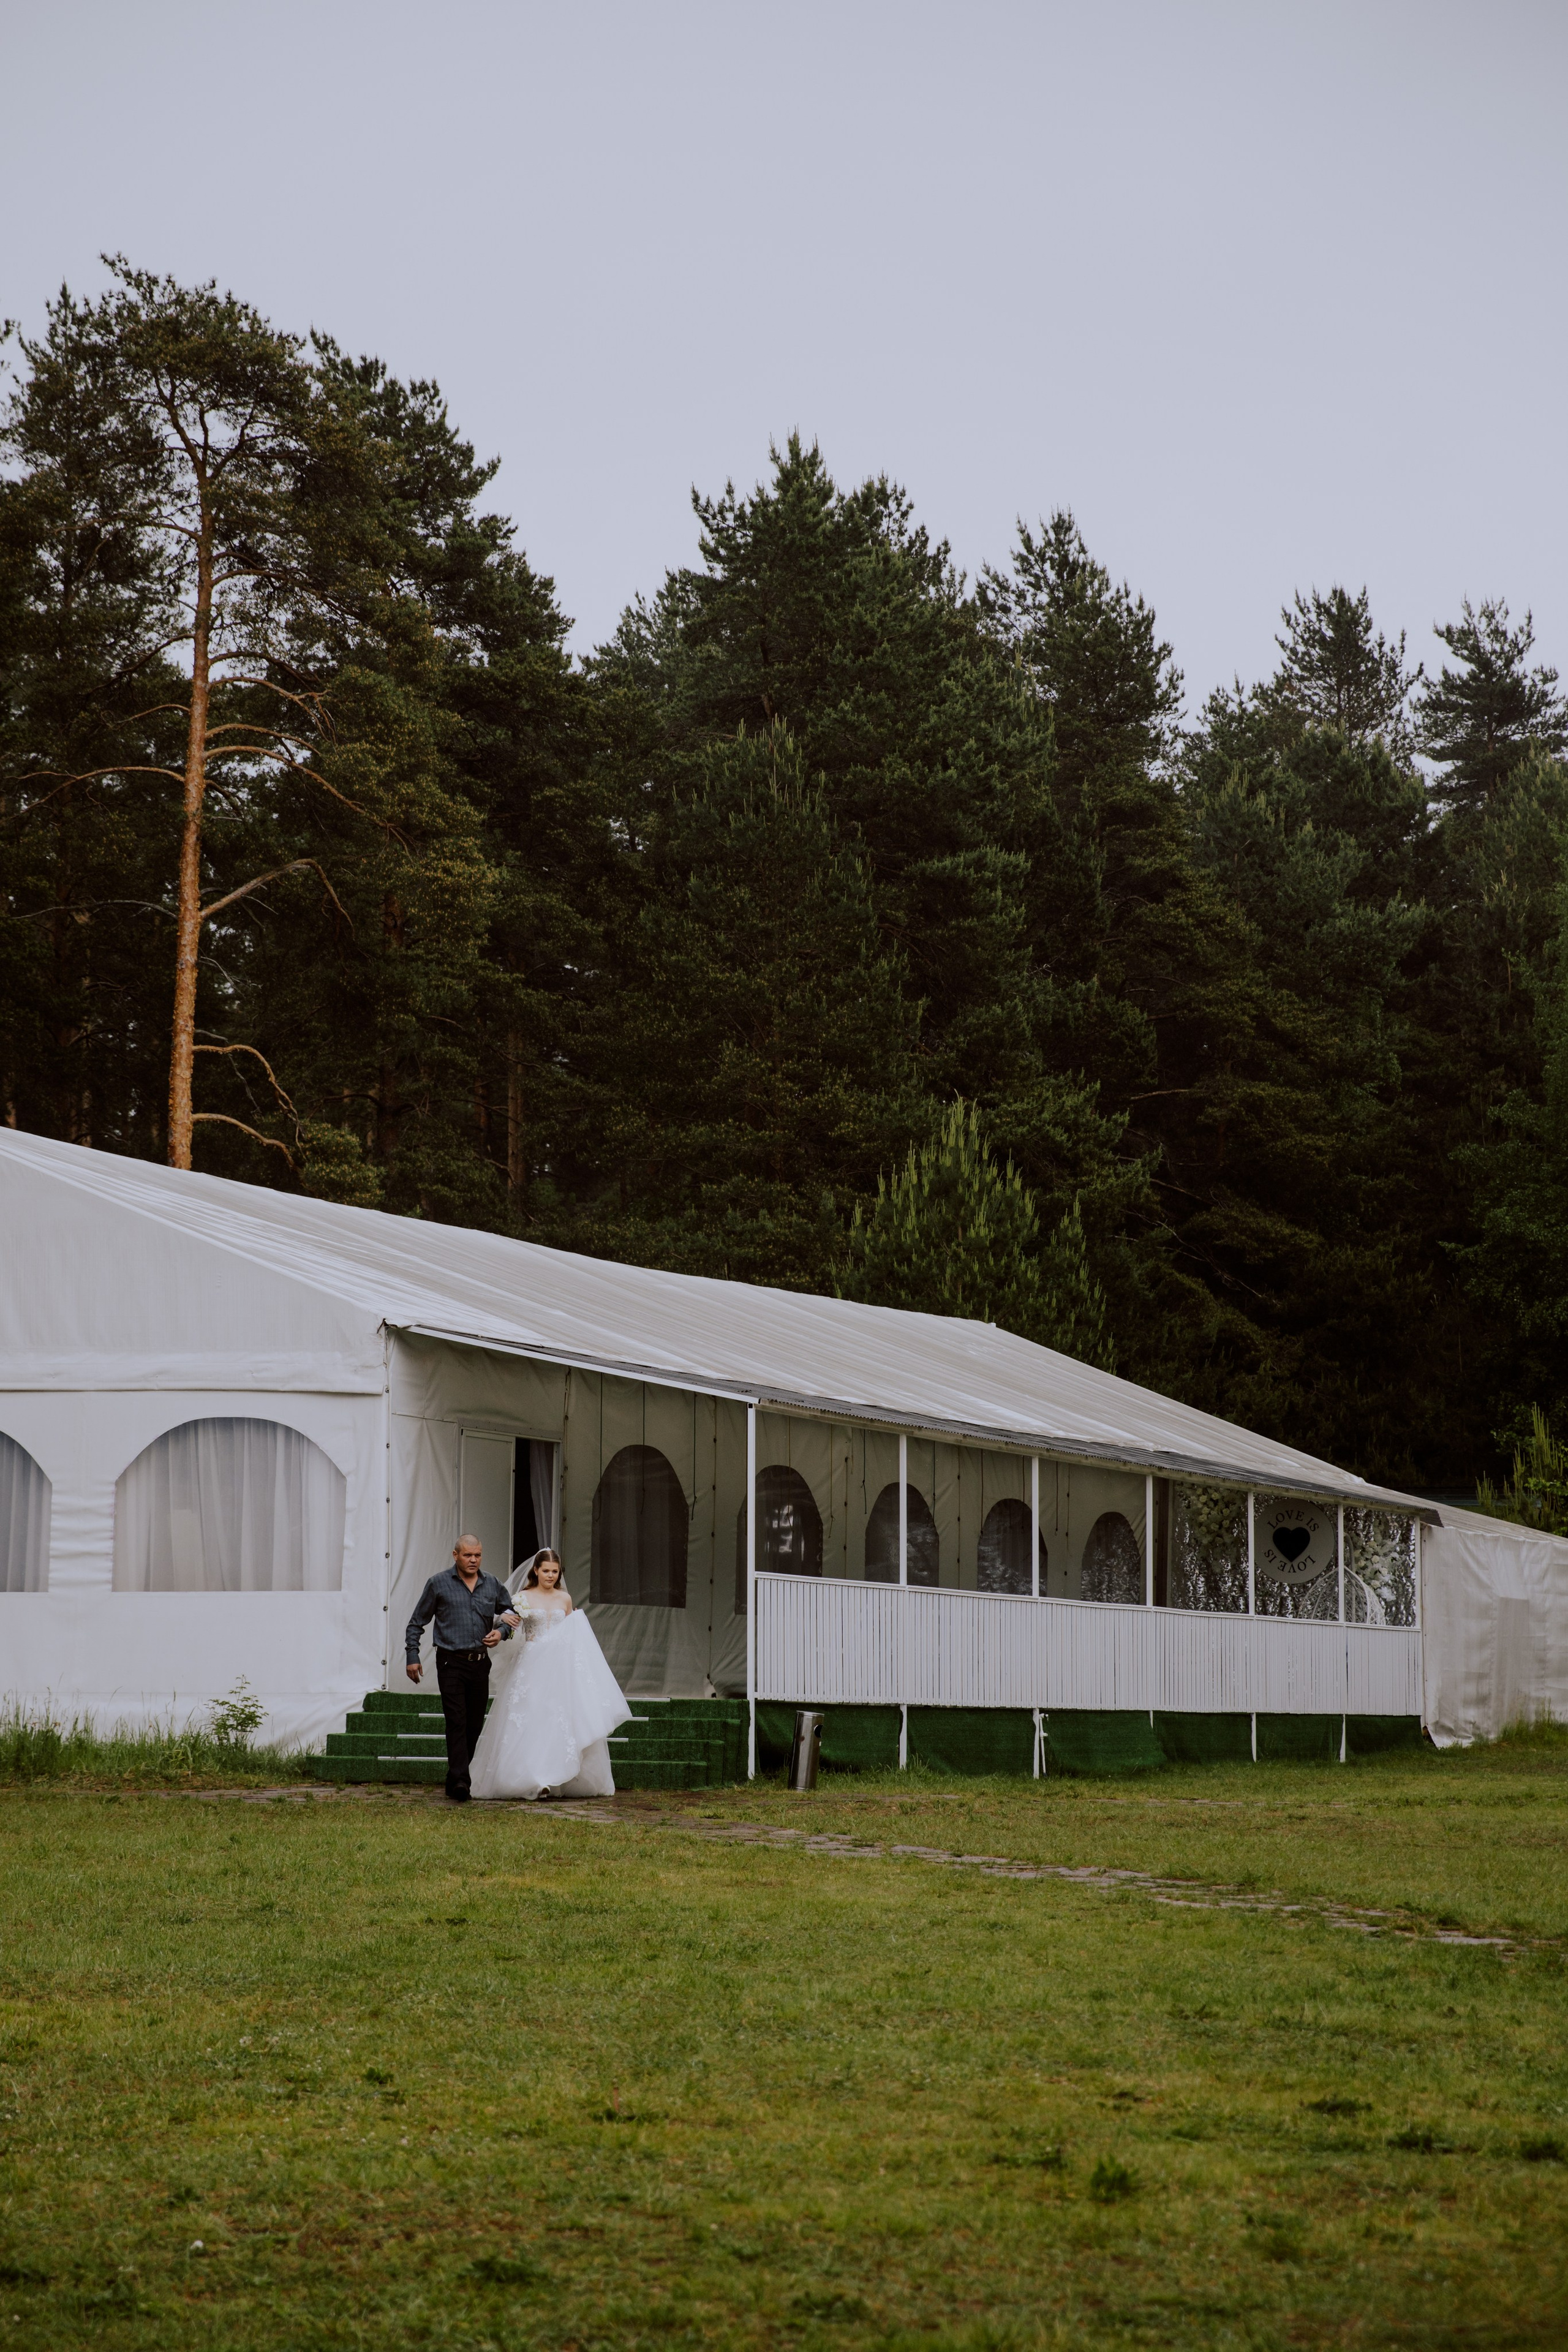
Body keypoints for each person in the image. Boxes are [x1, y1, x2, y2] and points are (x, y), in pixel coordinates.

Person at [469, 1547, 631, 1800]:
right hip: (531, 1664)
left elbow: (575, 1634)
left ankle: (554, 1776)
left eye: (555, 1572)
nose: (551, 1576)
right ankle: (533, 1777)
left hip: (558, 1667)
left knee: (557, 1719)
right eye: (546, 1571)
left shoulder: (565, 1599)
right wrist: (503, 1625)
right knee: (530, 1718)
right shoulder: (522, 1597)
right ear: (536, 1570)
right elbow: (510, 1625)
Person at [405, 1536, 521, 1804]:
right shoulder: (438, 1584)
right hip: (450, 1662)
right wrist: (413, 1655)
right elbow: (416, 1623)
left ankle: (455, 1776)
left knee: (473, 1724)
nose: (473, 1560)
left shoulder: (491, 1583)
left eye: (478, 1555)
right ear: (455, 1555)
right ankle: (461, 1781)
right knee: (456, 1720)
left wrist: (501, 1632)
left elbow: (511, 1612)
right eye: (468, 1555)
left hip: (480, 1663)